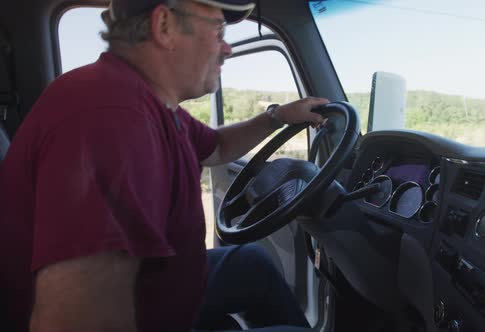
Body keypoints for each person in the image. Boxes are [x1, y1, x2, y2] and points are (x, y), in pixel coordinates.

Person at [0, 0, 328, 331]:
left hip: (158, 290)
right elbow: (79, 323)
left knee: (251, 264)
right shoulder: (112, 120)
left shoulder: (152, 103)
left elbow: (216, 147)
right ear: (165, 27)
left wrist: (277, 117)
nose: (227, 48)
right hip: (146, 312)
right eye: (218, 30)